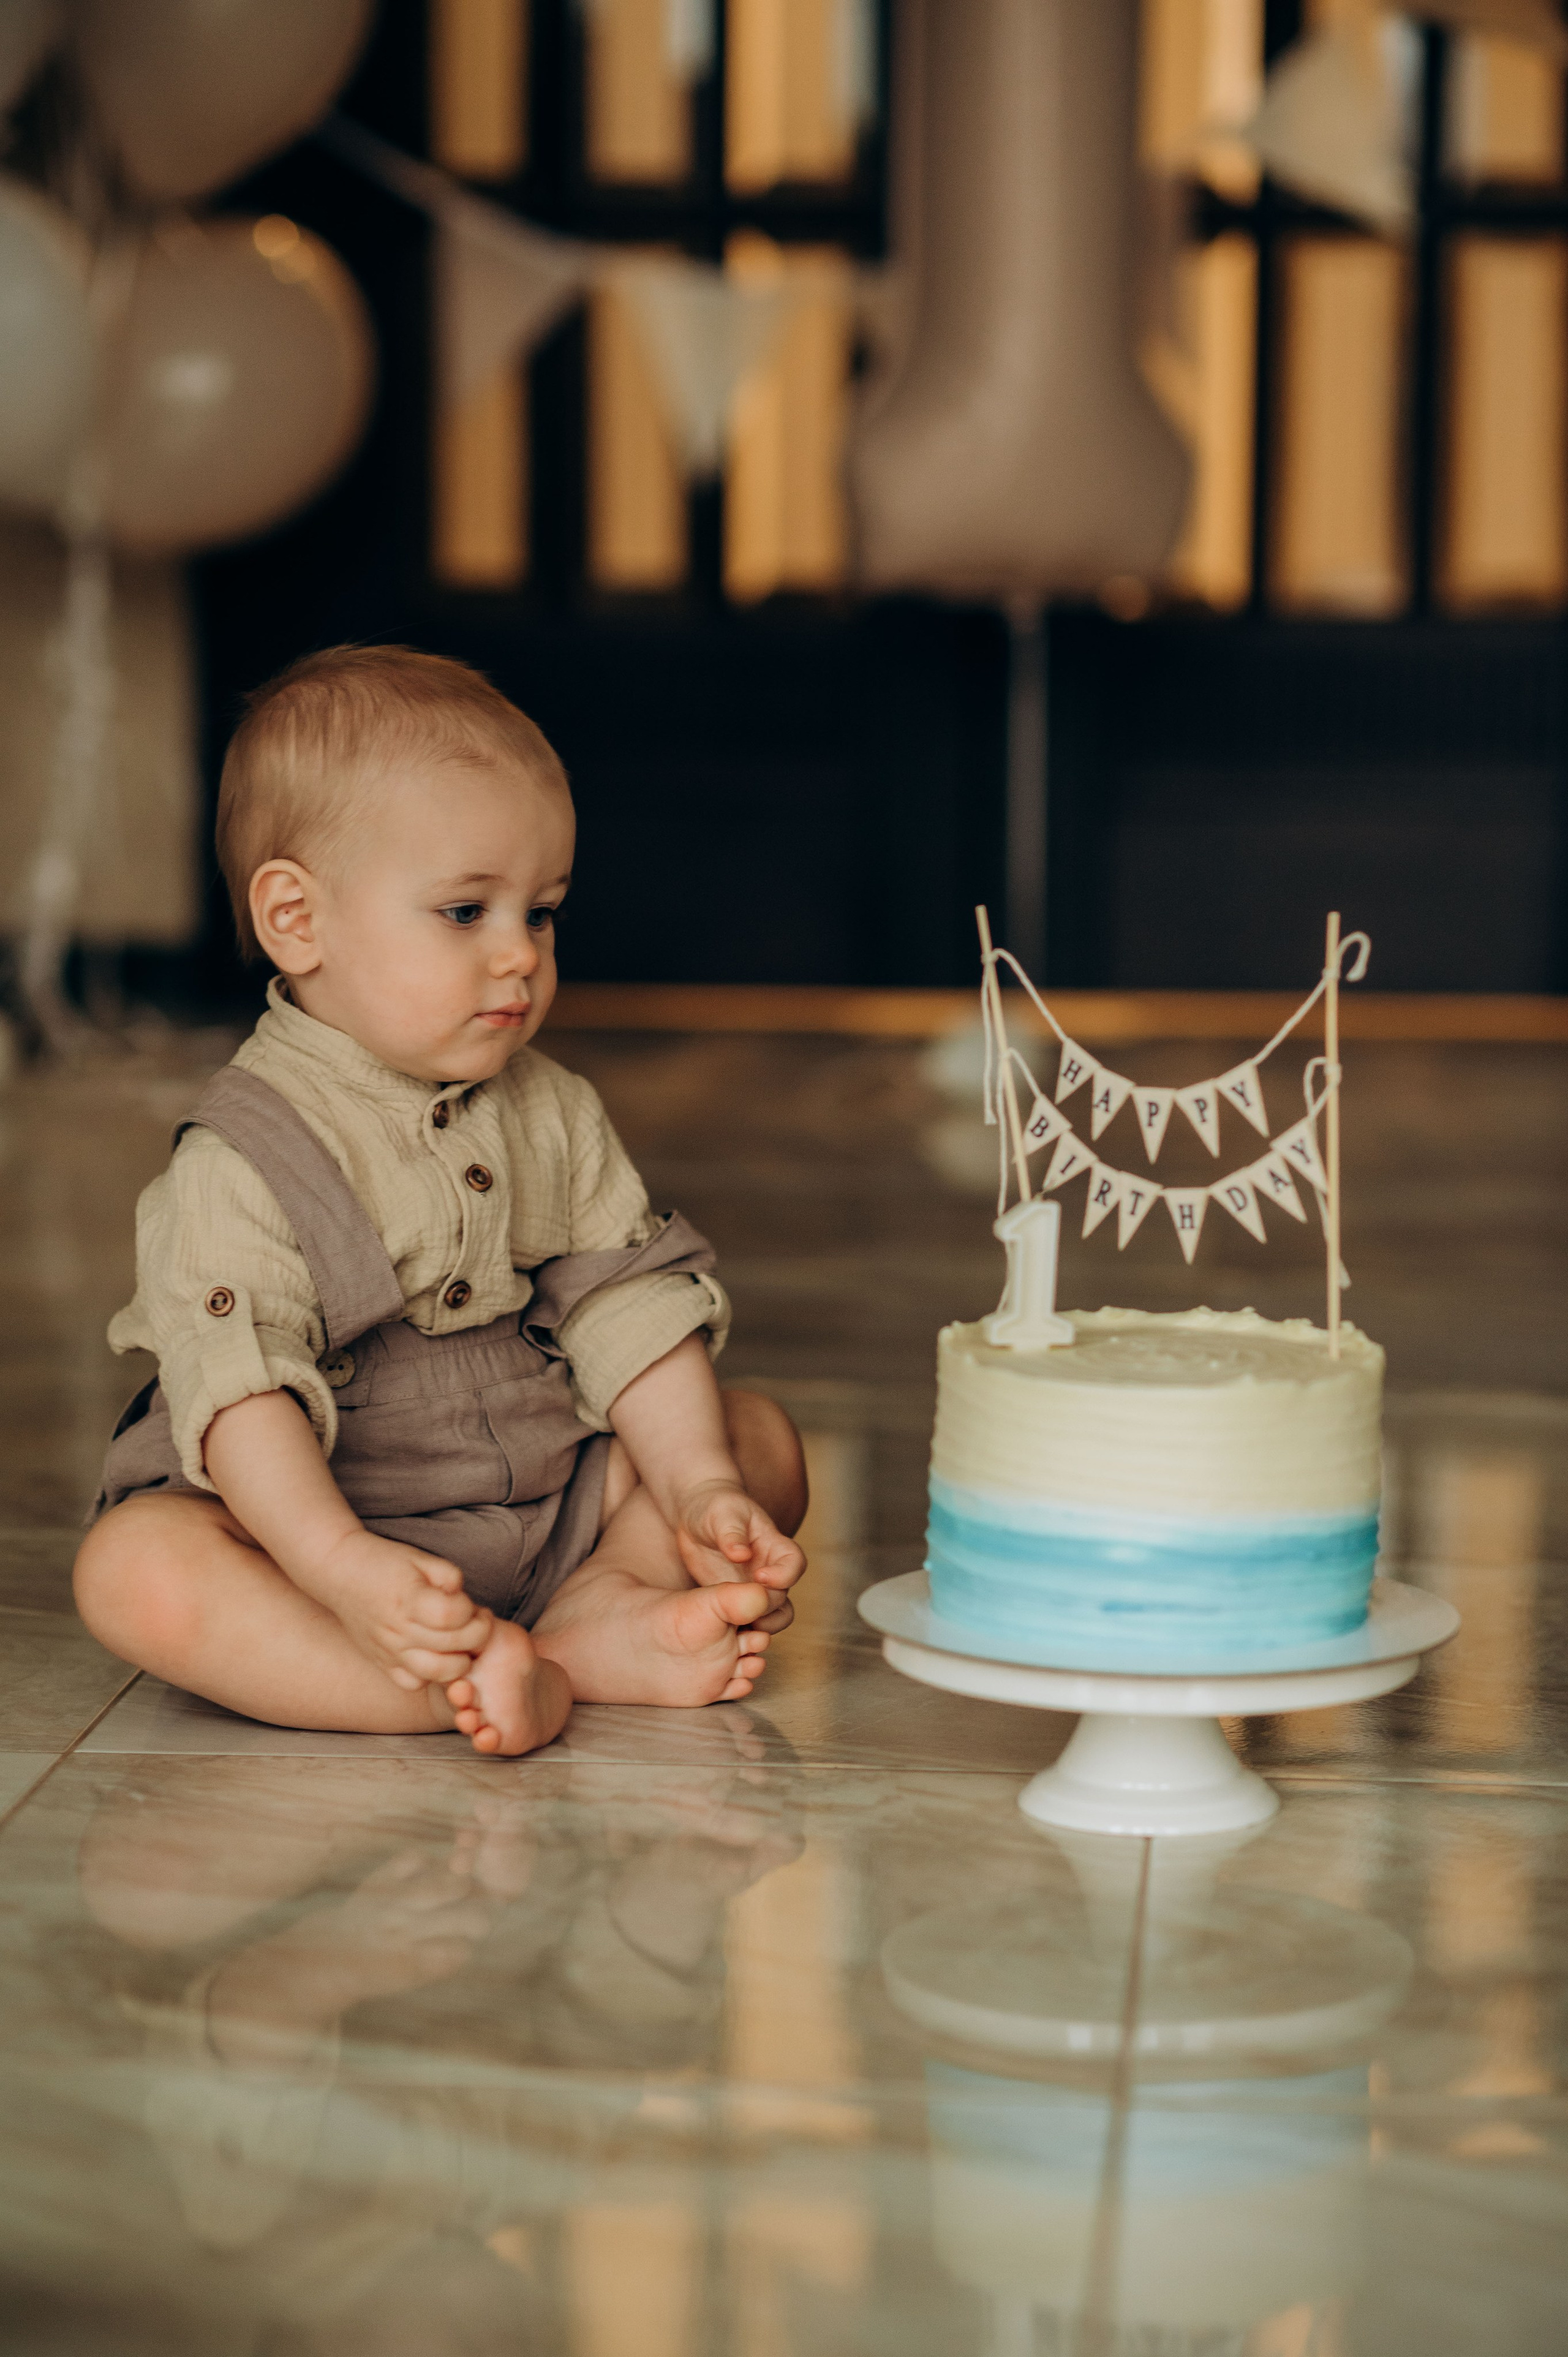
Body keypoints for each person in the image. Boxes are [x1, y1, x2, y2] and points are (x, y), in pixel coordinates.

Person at [74, 645, 808, 1757]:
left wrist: (701, 1486)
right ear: (296, 919)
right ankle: (427, 1687)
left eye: (542, 913)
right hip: (330, 1555)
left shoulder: (551, 1110)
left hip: (551, 1504)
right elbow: (241, 1398)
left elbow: (627, 1307)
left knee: (756, 1440)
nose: (519, 954)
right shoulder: (242, 1161)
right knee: (136, 1573)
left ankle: (591, 1614)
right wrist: (341, 1567)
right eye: (466, 912)